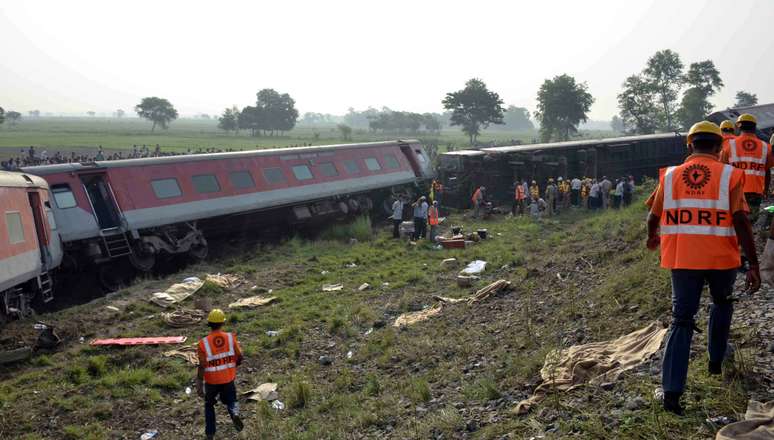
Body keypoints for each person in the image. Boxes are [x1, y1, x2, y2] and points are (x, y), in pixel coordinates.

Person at [645, 121, 760, 415]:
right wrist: (753, 264)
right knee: (722, 303)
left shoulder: (669, 176)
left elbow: (651, 218)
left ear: (689, 144)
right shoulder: (731, 176)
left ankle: (671, 395)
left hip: (683, 260)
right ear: (720, 146)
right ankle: (715, 360)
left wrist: (652, 238)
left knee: (681, 319)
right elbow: (742, 222)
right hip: (722, 259)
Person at [197, 309, 244, 439]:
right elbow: (240, 357)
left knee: (209, 405)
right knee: (232, 401)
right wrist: (233, 365)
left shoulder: (203, 343)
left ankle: (210, 433)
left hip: (211, 382)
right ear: (223, 323)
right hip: (228, 379)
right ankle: (234, 413)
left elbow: (201, 365)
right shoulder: (230, 338)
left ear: (209, 324)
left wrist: (199, 382)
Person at [720, 113, 774, 222]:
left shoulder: (728, 146)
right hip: (755, 190)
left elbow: (722, 170)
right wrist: (765, 190)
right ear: (754, 127)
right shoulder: (765, 147)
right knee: (750, 222)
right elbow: (767, 170)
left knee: (734, 221)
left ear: (738, 126)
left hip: (734, 189)